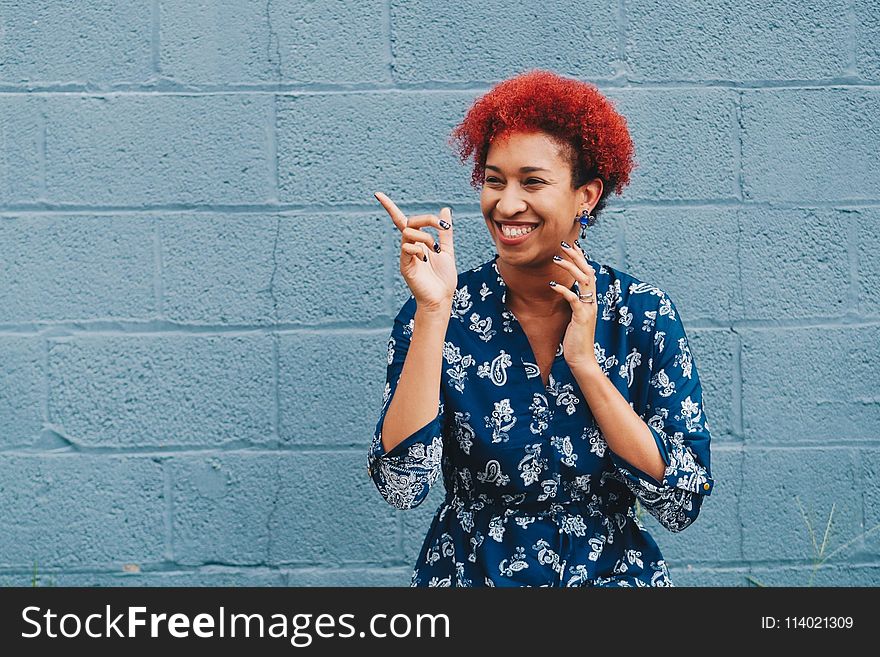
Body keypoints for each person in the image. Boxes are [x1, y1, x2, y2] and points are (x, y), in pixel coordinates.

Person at [367, 69, 714, 587]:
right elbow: (402, 485)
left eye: (533, 181)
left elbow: (680, 499)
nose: (506, 205)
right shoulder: (438, 312)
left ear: (586, 196)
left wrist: (586, 368)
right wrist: (434, 313)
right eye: (493, 180)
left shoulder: (641, 316)